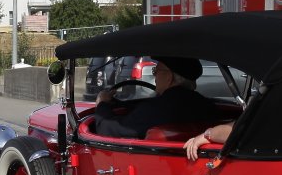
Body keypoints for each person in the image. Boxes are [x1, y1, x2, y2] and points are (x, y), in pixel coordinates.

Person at [91, 56, 222, 139]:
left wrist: (102, 104)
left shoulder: (156, 109)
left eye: (156, 71)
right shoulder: (207, 106)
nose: (154, 76)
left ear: (169, 77)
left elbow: (108, 129)